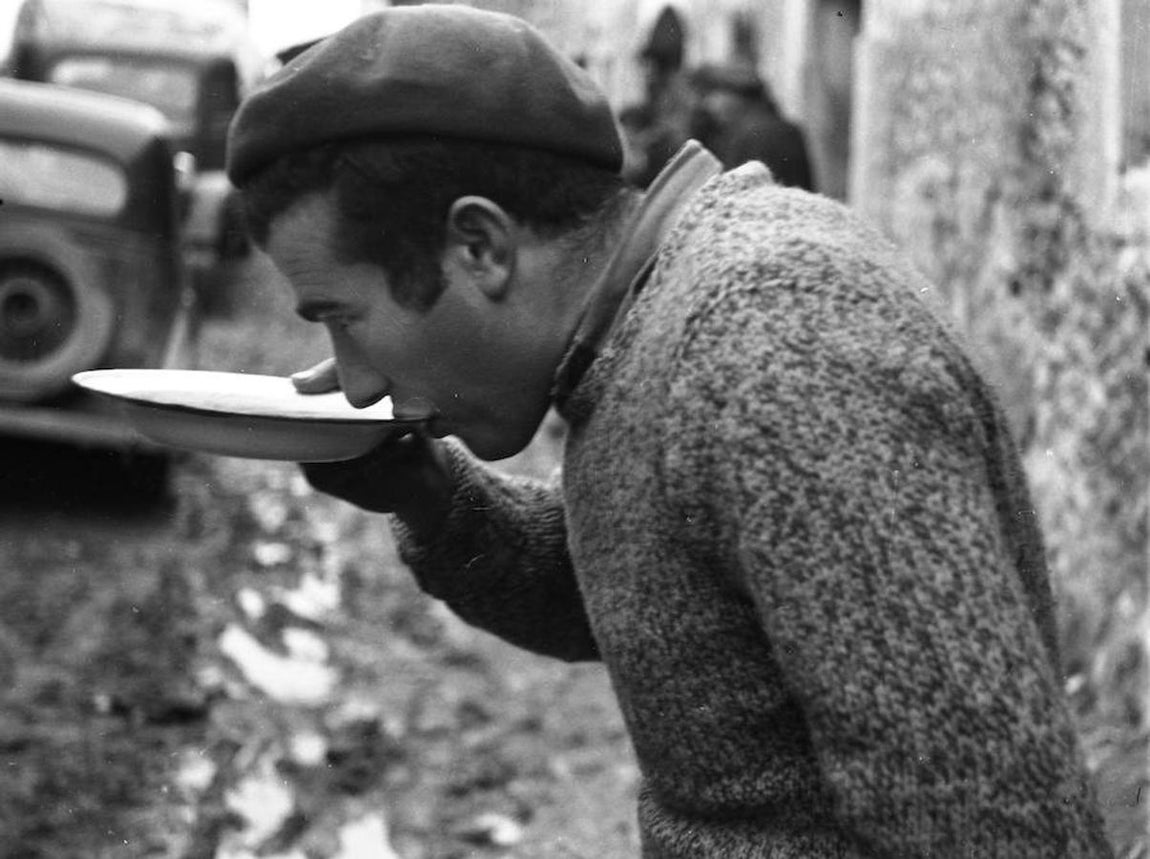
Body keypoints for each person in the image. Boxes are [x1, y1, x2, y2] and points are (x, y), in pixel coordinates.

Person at [225, 6, 1113, 857]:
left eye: (343, 317)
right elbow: (662, 608)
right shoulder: (644, 336)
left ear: (480, 248)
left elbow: (993, 825)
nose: (353, 377)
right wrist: (429, 495)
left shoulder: (779, 344)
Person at [689, 61, 817, 191]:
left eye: (714, 96)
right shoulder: (784, 129)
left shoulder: (754, 135)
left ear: (737, 95)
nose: (709, 106)